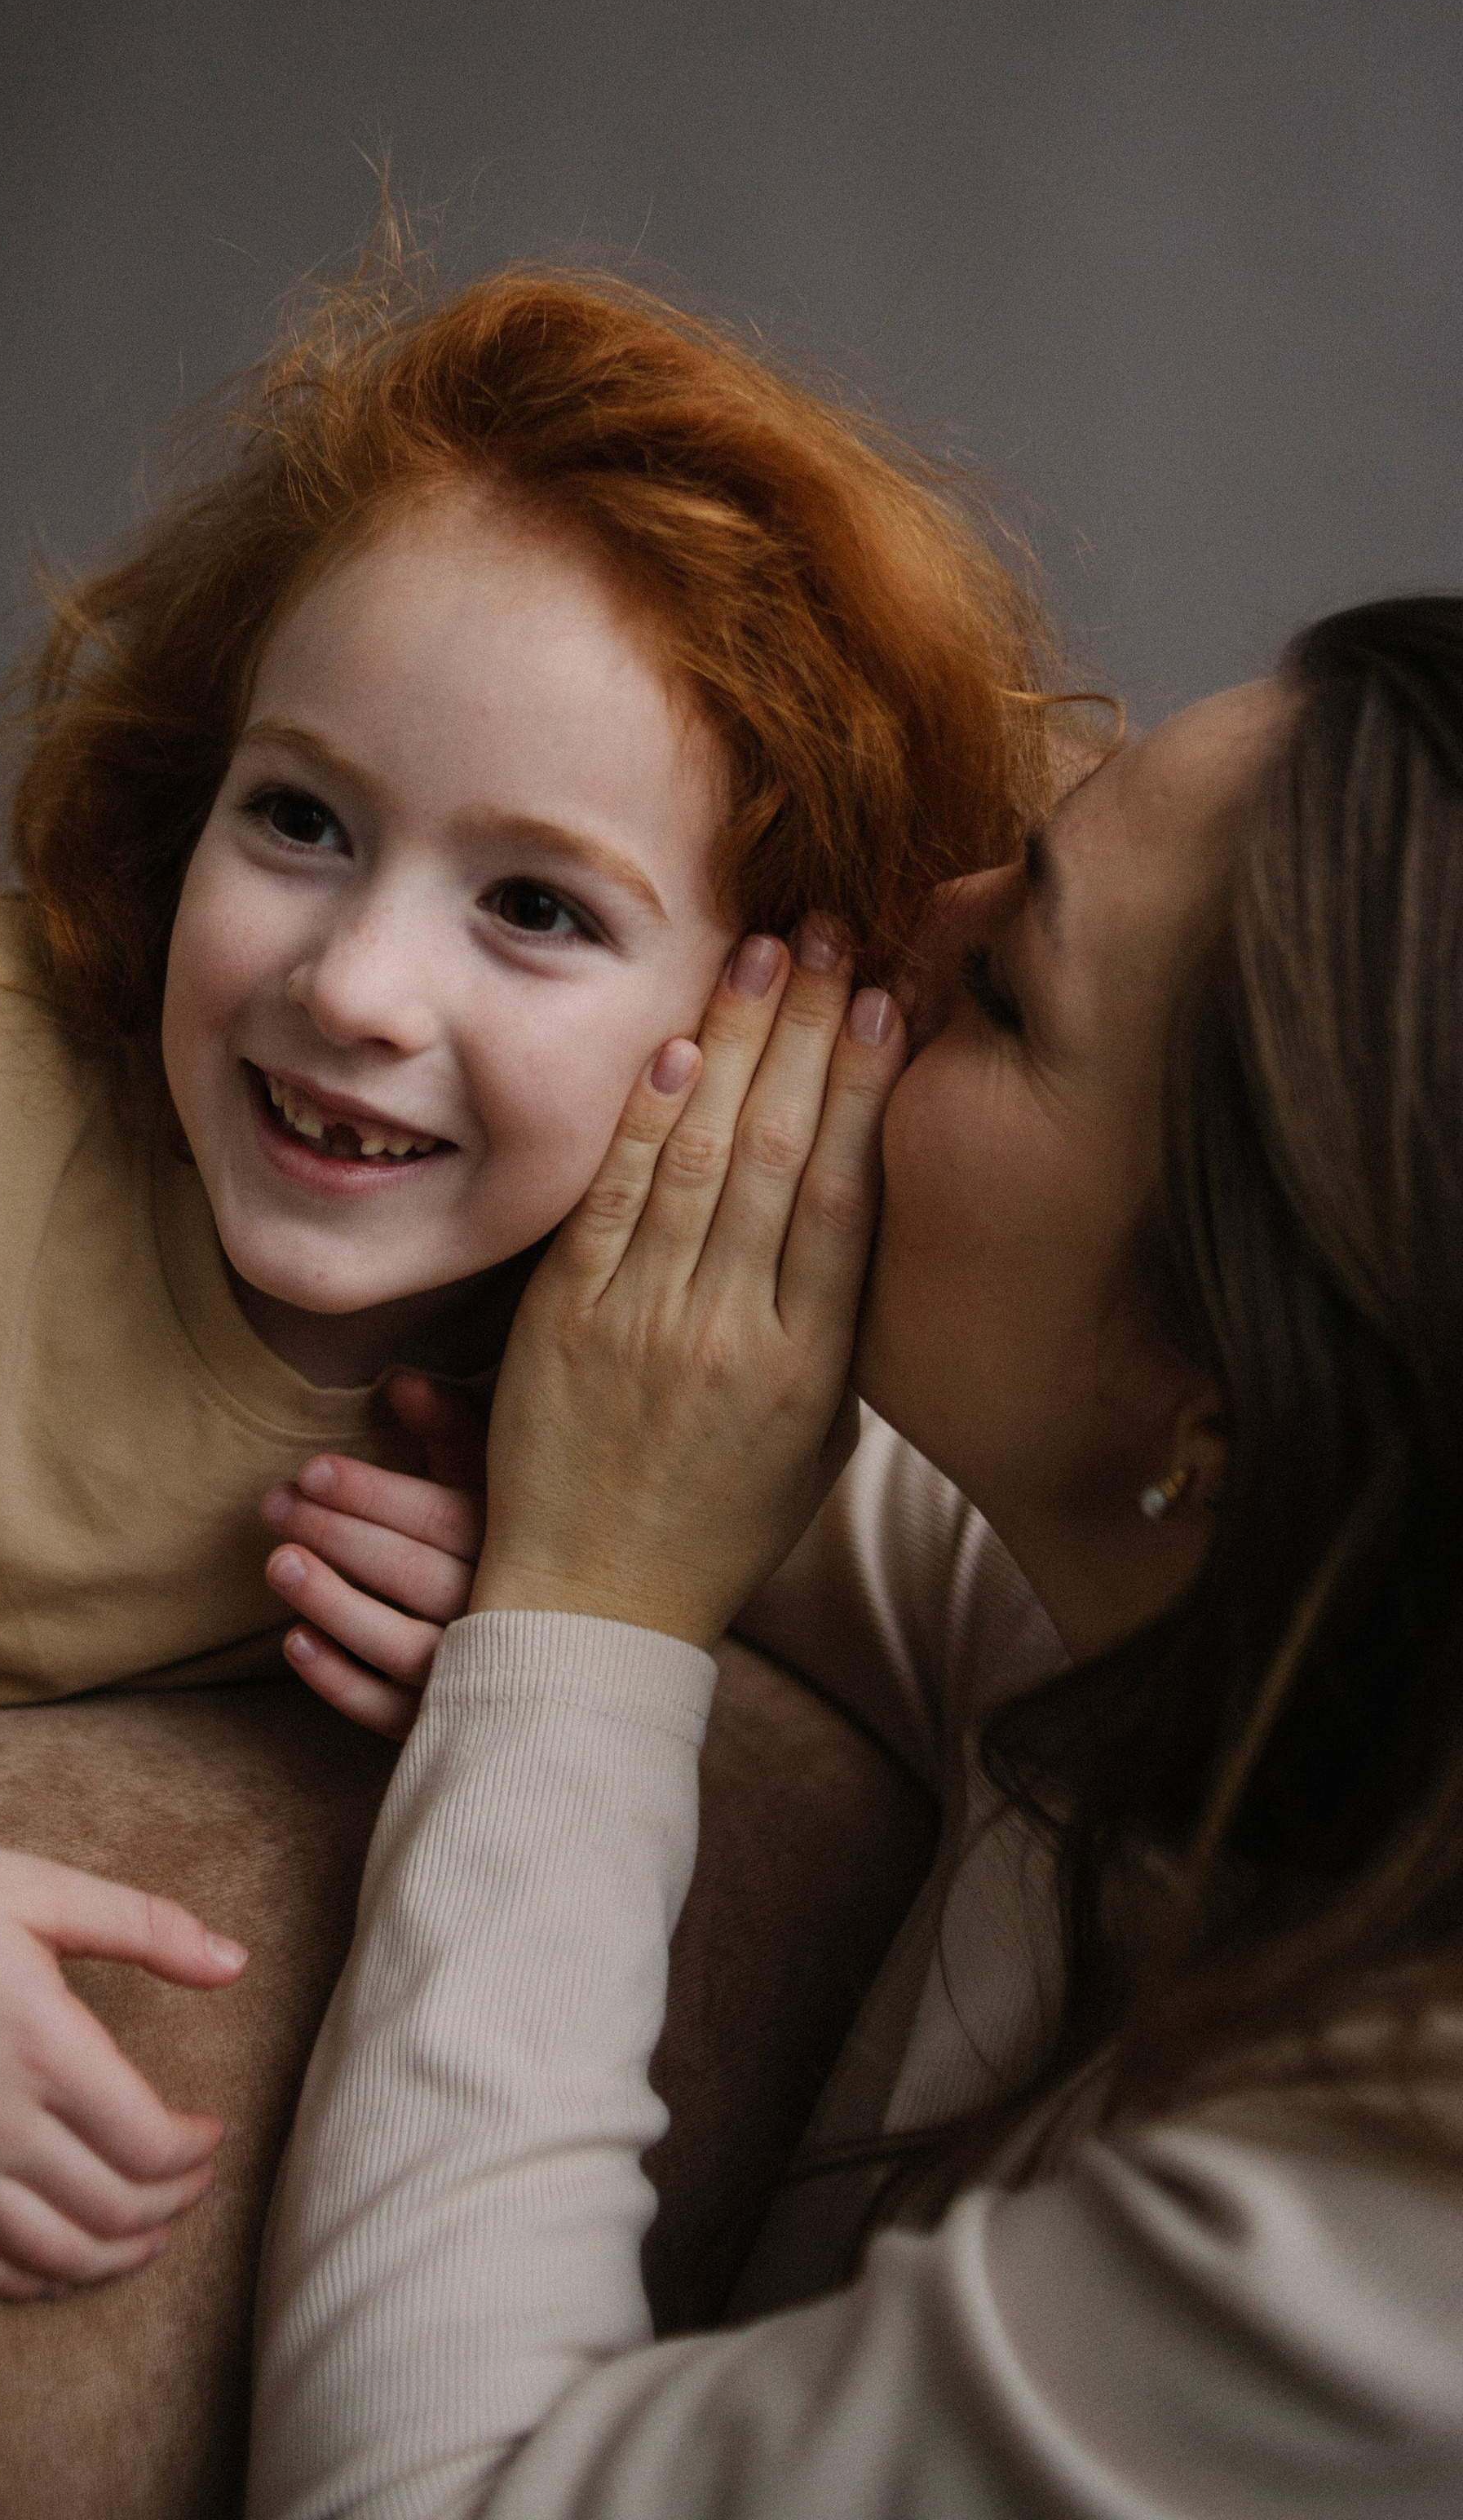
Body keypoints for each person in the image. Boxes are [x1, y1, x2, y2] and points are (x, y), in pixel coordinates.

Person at [0, 263, 1055, 2305]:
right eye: (298, 818)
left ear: (761, 1021)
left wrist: (531, 1589)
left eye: (531, 905)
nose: (348, 985)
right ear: (197, 786)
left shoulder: (629, 1341)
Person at [248, 595, 1463, 2517]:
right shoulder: (1248, 1635)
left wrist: (584, 1615)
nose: (923, 912)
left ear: (1219, 1402)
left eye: (1005, 992)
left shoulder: (1378, 2256)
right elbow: (734, 1449)